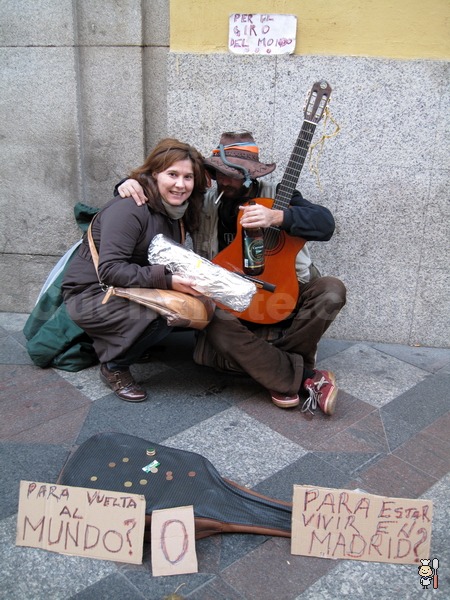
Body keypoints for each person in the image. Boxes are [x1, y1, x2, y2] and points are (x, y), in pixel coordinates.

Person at [117, 131, 347, 415]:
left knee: (332, 289)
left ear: (251, 174)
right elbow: (163, 197)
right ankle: (300, 377)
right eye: (218, 173)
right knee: (209, 314)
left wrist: (278, 217)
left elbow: (325, 224)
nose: (224, 181)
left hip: (282, 290)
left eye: (232, 175)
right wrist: (128, 184)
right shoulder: (204, 201)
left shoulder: (279, 195)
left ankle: (273, 367)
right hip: (226, 297)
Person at [62, 138, 209, 402]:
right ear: (154, 174)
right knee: (166, 312)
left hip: (131, 286)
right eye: (172, 174)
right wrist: (168, 281)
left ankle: (132, 341)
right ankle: (114, 366)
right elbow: (110, 270)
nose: (181, 184)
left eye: (188, 177)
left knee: (196, 305)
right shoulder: (130, 209)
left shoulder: (174, 209)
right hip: (91, 294)